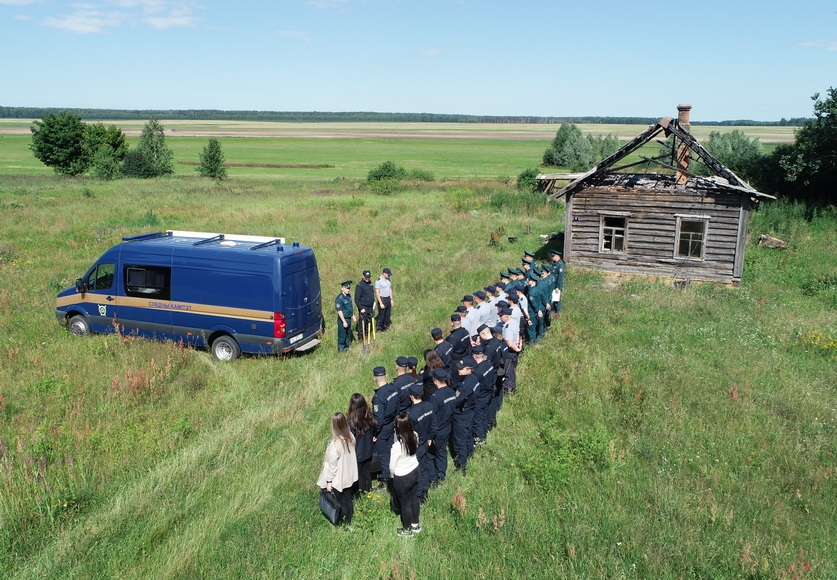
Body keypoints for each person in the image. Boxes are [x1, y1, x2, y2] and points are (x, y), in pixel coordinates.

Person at [317, 412, 359, 527]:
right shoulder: (351, 437)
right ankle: (349, 522)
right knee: (348, 499)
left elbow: (332, 466)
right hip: (349, 476)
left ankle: (343, 523)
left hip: (339, 479)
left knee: (341, 502)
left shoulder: (335, 445)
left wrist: (329, 482)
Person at [390, 413, 421, 536]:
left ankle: (407, 530)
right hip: (415, 470)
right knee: (414, 499)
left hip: (402, 477)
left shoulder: (397, 446)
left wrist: (392, 477)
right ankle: (415, 525)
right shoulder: (415, 436)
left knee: (405, 503)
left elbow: (392, 466)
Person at [428, 367, 457, 486]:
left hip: (438, 430)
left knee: (430, 455)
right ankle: (441, 474)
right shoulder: (452, 392)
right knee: (442, 451)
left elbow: (433, 419)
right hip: (447, 426)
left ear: (435, 381)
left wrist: (430, 436)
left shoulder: (435, 397)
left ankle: (433, 478)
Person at [406, 383, 434, 503]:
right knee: (424, 466)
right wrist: (430, 437)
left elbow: (409, 433)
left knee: (416, 470)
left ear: (411, 397)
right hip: (426, 441)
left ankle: (418, 494)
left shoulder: (411, 414)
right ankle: (425, 490)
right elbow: (434, 424)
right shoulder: (429, 406)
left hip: (417, 445)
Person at [371, 366, 399, 481]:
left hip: (382, 428)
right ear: (386, 375)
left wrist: (375, 433)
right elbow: (398, 408)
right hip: (392, 423)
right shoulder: (394, 389)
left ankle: (384, 477)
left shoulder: (378, 397)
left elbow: (378, 420)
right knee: (390, 449)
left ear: (374, 378)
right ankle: (392, 471)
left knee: (382, 453)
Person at [347, 393, 377, 496]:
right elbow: (374, 427)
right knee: (367, 473)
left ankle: (359, 494)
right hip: (368, 450)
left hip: (357, 454)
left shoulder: (351, 422)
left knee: (358, 475)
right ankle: (368, 490)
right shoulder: (368, 416)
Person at [355, 270, 375, 343]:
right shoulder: (360, 286)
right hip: (363, 307)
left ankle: (367, 335)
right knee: (362, 323)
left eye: (368, 277)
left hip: (370, 307)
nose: (367, 279)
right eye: (366, 277)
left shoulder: (370, 284)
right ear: (363, 276)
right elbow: (357, 299)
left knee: (368, 323)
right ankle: (361, 338)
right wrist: (361, 308)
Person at [335, 280, 354, 352]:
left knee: (348, 334)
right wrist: (344, 321)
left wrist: (353, 315)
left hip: (348, 318)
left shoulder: (349, 296)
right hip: (343, 319)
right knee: (342, 335)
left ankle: (347, 348)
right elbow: (339, 311)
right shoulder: (339, 299)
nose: (348, 290)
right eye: (346, 288)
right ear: (342, 288)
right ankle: (341, 350)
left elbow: (350, 307)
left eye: (349, 288)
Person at [375, 267, 394, 332]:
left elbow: (390, 289)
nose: (389, 276)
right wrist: (380, 303)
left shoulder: (389, 279)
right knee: (381, 315)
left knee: (387, 314)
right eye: (388, 274)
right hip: (382, 299)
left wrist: (391, 299)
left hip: (388, 298)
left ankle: (385, 327)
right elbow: (377, 292)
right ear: (384, 273)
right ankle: (379, 328)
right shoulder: (379, 281)